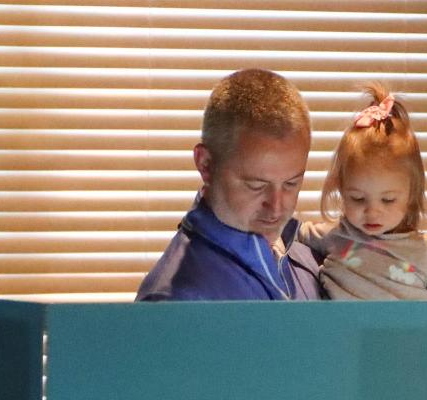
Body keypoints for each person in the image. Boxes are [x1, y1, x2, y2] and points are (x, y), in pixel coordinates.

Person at [136, 69, 322, 301]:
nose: (276, 207)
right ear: (205, 164)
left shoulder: (309, 258)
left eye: (291, 184)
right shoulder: (177, 301)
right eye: (256, 185)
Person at [297, 84, 427, 300]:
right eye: (357, 198)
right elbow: (286, 228)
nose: (372, 212)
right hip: (341, 332)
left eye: (388, 200)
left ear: (411, 195)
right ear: (340, 190)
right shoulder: (334, 236)